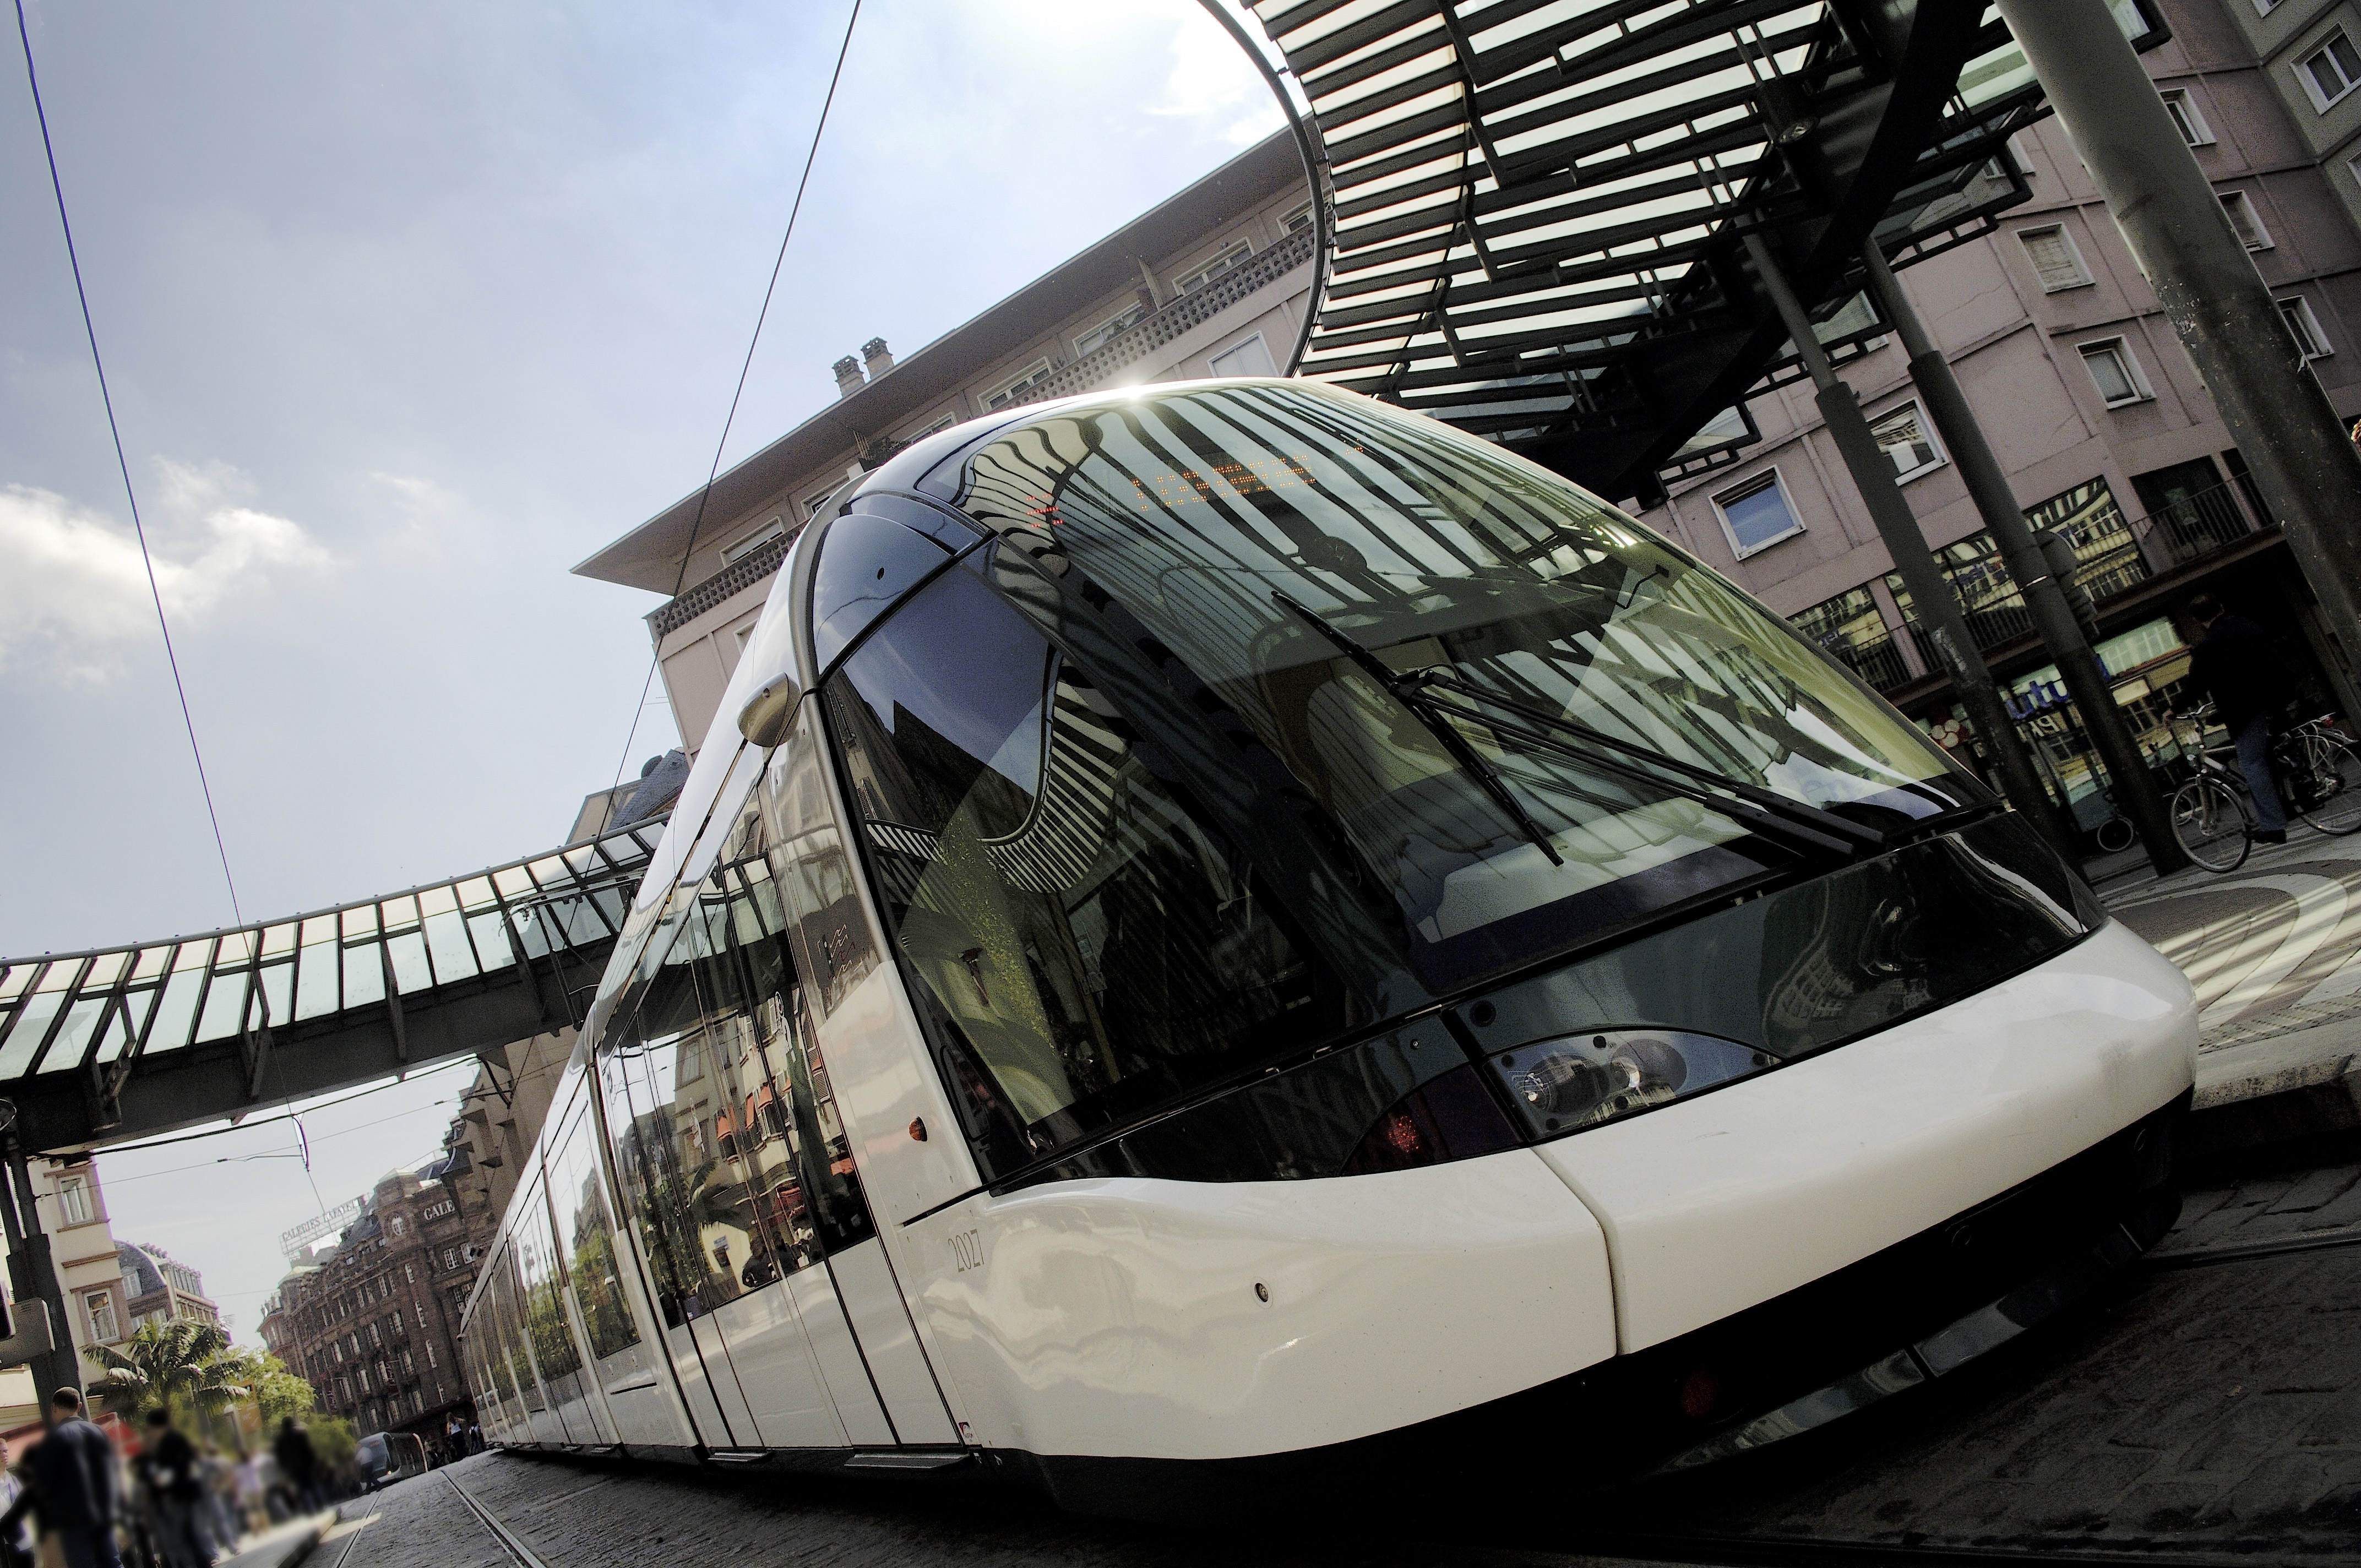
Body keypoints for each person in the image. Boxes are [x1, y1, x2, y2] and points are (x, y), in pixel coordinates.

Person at [2186, 593, 2294, 845]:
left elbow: (2196, 683)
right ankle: (2287, 800)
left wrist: (2174, 708)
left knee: (2251, 764)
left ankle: (2273, 826)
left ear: (2196, 620)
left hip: (2248, 708)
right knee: (2268, 755)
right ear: (2222, 607)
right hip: (2278, 696)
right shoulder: (2248, 626)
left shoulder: (2210, 645)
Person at [20, 1388, 123, 1568]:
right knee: (113, 1562)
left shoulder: (53, 1440)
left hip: (73, 1522)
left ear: (54, 1408)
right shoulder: (99, 1433)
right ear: (79, 1406)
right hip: (104, 1513)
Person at [0, 1436, 37, 1568]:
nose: (4, 1455)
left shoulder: (14, 1479)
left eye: (5, 1451)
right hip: (7, 1544)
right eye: (0, 1452)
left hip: (26, 1541)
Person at [271, 1419, 320, 1514]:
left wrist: (284, 1467)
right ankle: (320, 1505)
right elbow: (307, 1448)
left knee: (302, 1488)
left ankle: (309, 1509)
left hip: (293, 1467)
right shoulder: (301, 1433)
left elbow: (280, 1456)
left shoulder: (281, 1439)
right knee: (312, 1485)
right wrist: (313, 1461)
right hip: (306, 1464)